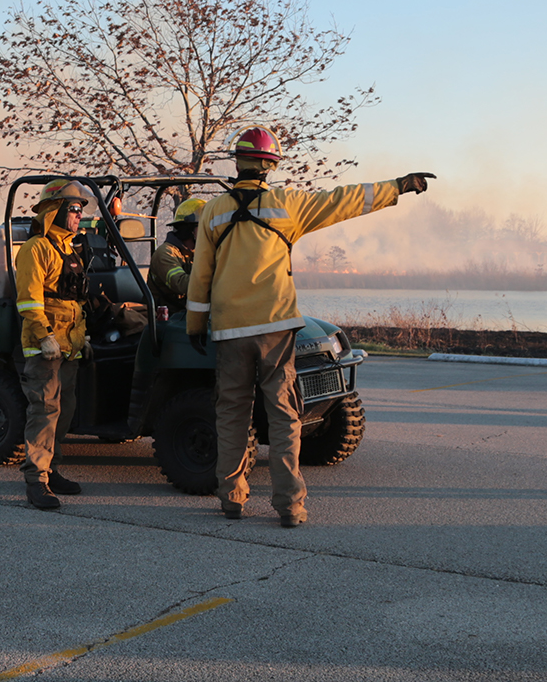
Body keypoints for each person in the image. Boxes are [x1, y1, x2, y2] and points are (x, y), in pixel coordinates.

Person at [185, 126, 433, 527]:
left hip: (229, 330)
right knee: (283, 414)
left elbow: (200, 276)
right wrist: (398, 186)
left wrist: (195, 324)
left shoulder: (213, 211)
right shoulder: (288, 204)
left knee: (231, 413)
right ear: (271, 165)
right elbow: (343, 200)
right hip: (275, 327)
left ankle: (231, 498)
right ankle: (289, 506)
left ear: (238, 162)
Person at [13, 178, 95, 510]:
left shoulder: (70, 248)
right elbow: (29, 300)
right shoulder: (37, 248)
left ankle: (52, 469)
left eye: (80, 210)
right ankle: (37, 481)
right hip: (45, 347)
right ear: (55, 210)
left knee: (65, 412)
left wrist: (81, 337)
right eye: (73, 209)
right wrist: (44, 335)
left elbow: (73, 302)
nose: (79, 216)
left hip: (68, 347)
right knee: (44, 413)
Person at [149, 197, 206, 312]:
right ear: (189, 230)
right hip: (166, 317)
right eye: (205, 227)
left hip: (187, 313)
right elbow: (182, 285)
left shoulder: (199, 252)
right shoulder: (165, 253)